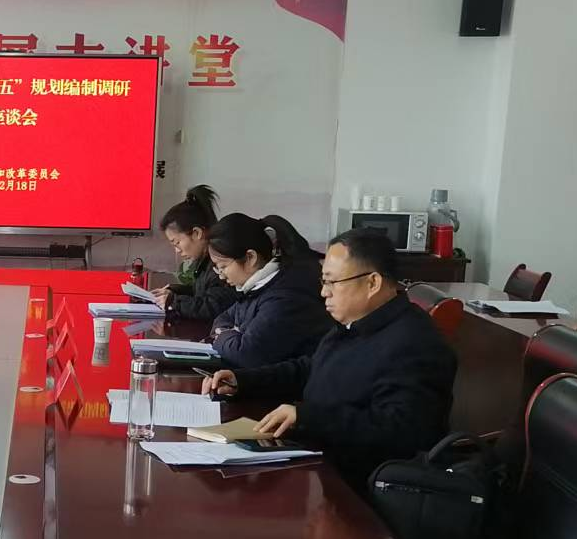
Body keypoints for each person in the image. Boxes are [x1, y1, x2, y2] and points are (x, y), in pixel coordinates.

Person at [202, 229, 456, 487]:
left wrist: (309, 418)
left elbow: (400, 431)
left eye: (332, 282)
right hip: (321, 461)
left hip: (362, 486)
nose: (324, 292)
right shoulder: (355, 322)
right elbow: (311, 368)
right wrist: (243, 381)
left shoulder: (415, 343)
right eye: (323, 282)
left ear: (372, 283)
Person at [204, 212, 331, 368]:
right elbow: (223, 318)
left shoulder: (286, 296)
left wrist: (222, 336)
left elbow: (246, 354)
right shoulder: (257, 287)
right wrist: (233, 335)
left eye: (223, 266)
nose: (221, 275)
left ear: (250, 257)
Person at [151, 184, 237, 322]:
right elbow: (202, 293)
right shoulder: (204, 260)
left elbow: (213, 306)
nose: (177, 250)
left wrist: (174, 302)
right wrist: (174, 292)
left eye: (177, 242)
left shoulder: (221, 262)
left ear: (197, 233)